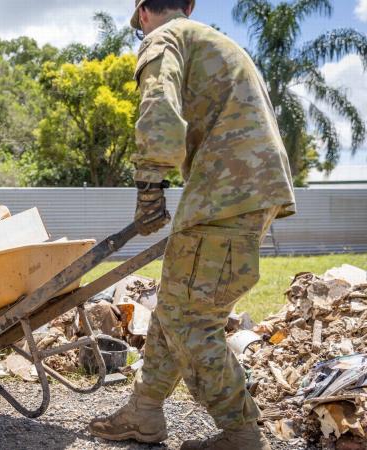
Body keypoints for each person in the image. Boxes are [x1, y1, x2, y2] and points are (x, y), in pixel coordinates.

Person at [88, 1, 296, 449]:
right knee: (174, 309)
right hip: (245, 191)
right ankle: (143, 412)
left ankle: (240, 433)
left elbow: (159, 108)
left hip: (224, 195)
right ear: (187, 5)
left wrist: (149, 187)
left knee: (191, 321)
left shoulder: (164, 38)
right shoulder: (215, 41)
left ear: (143, 13)